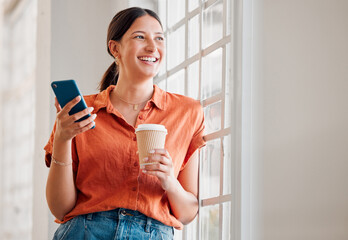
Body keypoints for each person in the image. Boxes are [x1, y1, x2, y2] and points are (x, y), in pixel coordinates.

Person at [44, 7, 206, 240]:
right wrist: (62, 138)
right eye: (140, 37)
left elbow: (188, 213)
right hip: (84, 232)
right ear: (115, 48)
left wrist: (169, 179)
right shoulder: (81, 111)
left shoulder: (187, 112)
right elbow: (60, 208)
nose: (152, 47)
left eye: (159, 38)